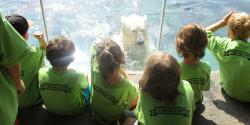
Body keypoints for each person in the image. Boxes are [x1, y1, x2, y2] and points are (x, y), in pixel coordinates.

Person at [135, 52, 195, 125]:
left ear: (148, 76)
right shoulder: (187, 86)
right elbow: (192, 108)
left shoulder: (144, 92)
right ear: (177, 72)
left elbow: (138, 113)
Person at [90, 38, 138, 124]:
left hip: (94, 110)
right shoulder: (127, 86)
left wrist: (106, 47)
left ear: (98, 59)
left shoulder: (94, 68)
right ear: (122, 59)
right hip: (112, 118)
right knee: (135, 111)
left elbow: (95, 44)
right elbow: (134, 103)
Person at [39, 36, 91, 115]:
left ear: (47, 57)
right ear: (72, 59)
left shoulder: (41, 72)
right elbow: (85, 87)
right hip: (75, 110)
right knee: (86, 82)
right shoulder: (77, 75)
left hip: (50, 108)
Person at [206, 11, 250, 102]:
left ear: (232, 32)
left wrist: (222, 22)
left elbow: (203, 33)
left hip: (228, 90)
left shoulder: (223, 45)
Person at [6, 14, 47, 108]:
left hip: (9, 102)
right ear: (25, 35)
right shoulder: (32, 53)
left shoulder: (3, 55)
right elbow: (44, 49)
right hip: (31, 101)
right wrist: (41, 39)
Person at [0, 12, 29, 125]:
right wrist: (18, 83)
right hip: (5, 110)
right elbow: (12, 56)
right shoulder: (35, 53)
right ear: (25, 35)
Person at [176, 24, 211, 109]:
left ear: (179, 47)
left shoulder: (176, 68)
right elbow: (206, 88)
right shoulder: (206, 67)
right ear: (204, 46)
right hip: (197, 102)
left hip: (182, 104)